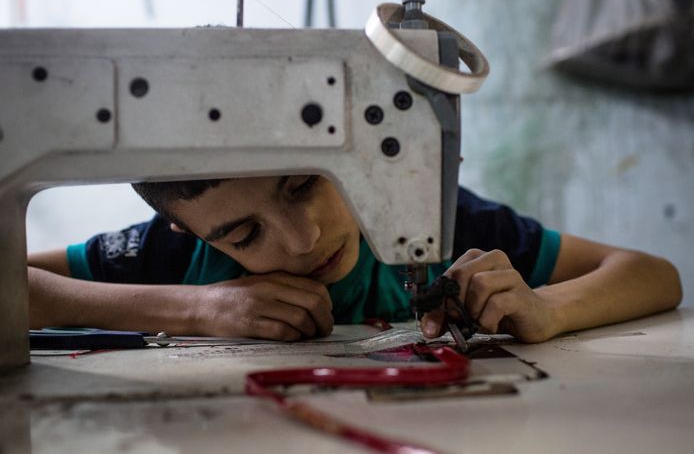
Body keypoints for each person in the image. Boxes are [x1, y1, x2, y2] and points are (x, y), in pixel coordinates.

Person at [27, 175, 682, 343]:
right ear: (187, 227)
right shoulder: (175, 256)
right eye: (242, 234)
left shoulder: (439, 216)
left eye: (304, 184)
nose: (303, 236)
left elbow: (655, 273)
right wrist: (193, 303)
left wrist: (547, 307)